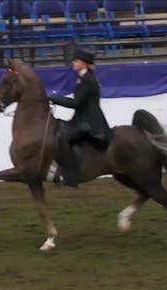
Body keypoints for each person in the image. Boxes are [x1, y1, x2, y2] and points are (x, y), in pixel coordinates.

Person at [48, 49, 112, 188]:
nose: (73, 63)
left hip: (89, 123)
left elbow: (76, 103)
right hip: (81, 119)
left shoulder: (87, 80)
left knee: (63, 139)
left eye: (76, 61)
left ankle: (70, 178)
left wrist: (56, 99)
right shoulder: (84, 78)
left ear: (84, 63)